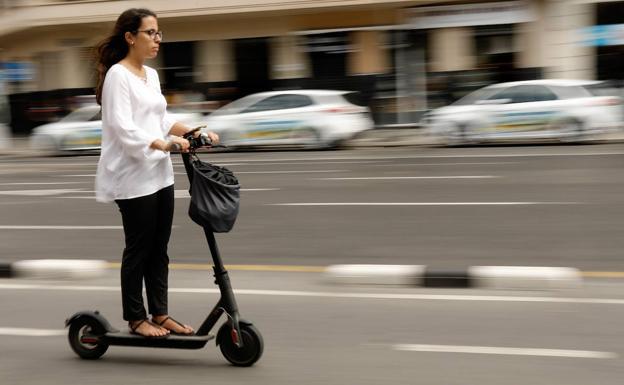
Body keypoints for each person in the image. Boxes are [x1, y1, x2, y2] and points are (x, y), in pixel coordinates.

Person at [94, 8, 219, 338]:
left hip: (159, 175)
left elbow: (161, 119)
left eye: (159, 33)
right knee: (139, 248)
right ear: (130, 37)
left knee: (159, 248)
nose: (157, 39)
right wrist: (163, 145)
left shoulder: (150, 75)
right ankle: (136, 318)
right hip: (131, 176)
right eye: (150, 32)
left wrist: (193, 131)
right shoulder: (117, 76)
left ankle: (160, 313)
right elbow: (123, 128)